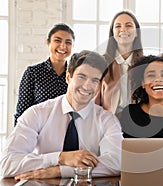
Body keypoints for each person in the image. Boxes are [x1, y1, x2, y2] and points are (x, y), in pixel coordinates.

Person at [0, 50, 123, 179]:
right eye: (82, 77)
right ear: (68, 77)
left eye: (95, 80)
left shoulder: (107, 120)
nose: (87, 86)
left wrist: (59, 171)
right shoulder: (37, 113)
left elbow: (117, 163)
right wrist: (60, 158)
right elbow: (7, 164)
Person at [14, 23, 75, 126]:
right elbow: (22, 112)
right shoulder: (33, 73)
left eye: (68, 42)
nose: (63, 46)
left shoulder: (75, 75)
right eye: (57, 40)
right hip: (38, 134)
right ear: (48, 42)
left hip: (67, 134)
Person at [95, 10, 143, 114]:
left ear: (136, 33)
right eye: (118, 26)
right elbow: (94, 101)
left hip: (139, 124)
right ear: (112, 33)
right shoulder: (101, 63)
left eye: (128, 25)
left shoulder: (146, 64)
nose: (123, 29)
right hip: (108, 124)